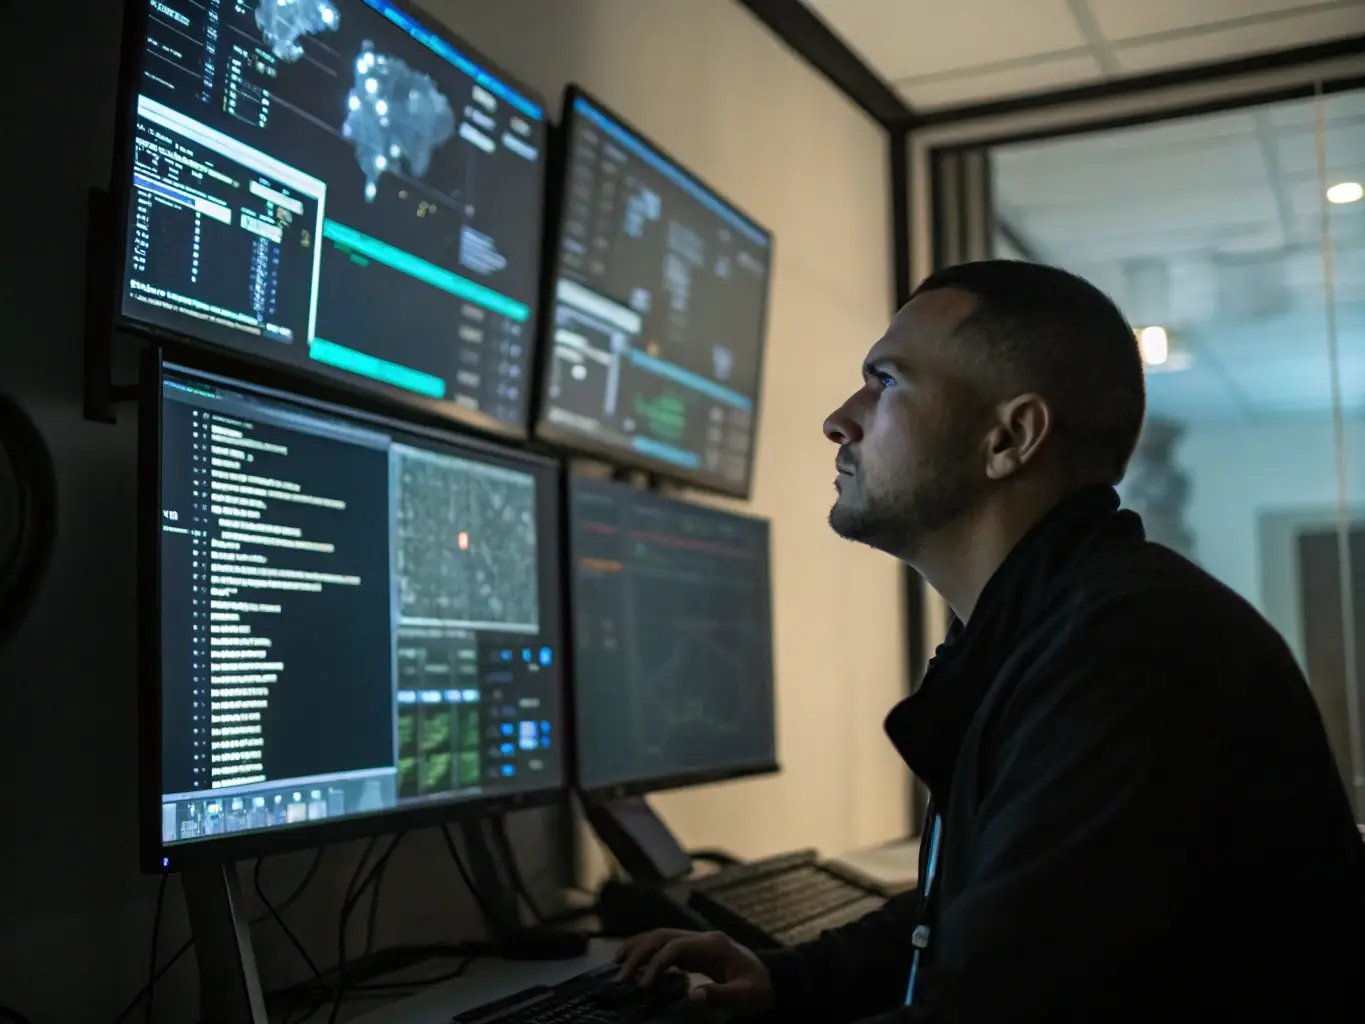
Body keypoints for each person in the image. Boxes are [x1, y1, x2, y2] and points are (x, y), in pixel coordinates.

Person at [615, 261, 1365, 1021]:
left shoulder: (1128, 653)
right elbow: (985, 914)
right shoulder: (1048, 627)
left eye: (885, 382)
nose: (840, 418)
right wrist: (788, 980)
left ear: (1009, 437)